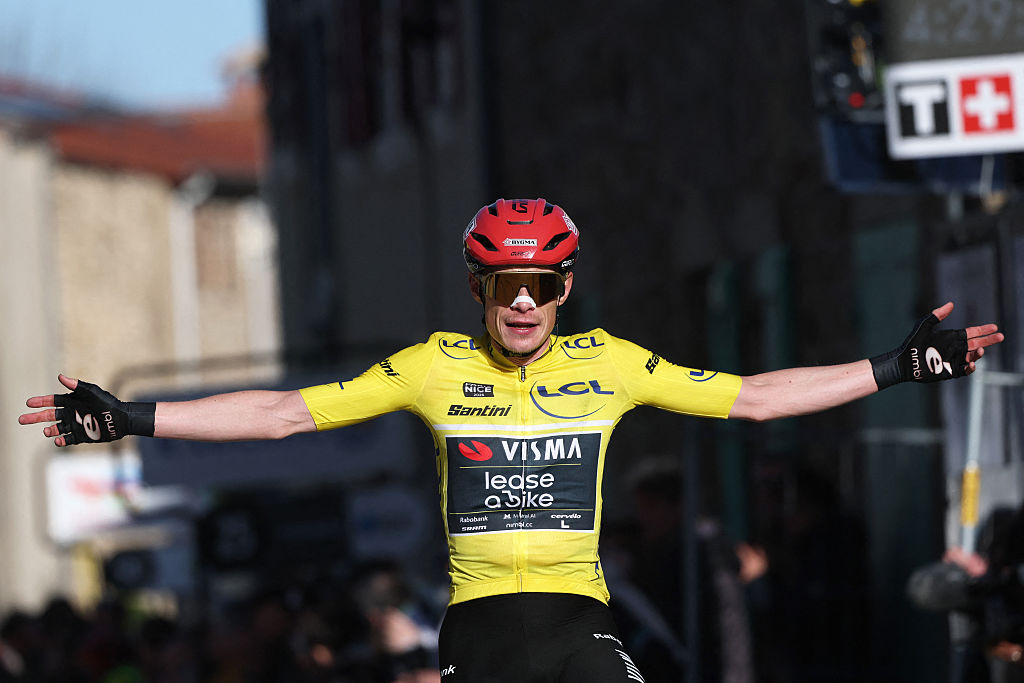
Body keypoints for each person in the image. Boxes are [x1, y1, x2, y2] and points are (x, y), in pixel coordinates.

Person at [20, 198, 1004, 683]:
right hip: (483, 628)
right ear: (476, 289)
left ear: (565, 287)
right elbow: (283, 411)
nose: (521, 304)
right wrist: (136, 418)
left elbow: (751, 397)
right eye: (502, 286)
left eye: (540, 285)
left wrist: (891, 365)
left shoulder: (612, 363)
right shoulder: (433, 365)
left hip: (578, 620)